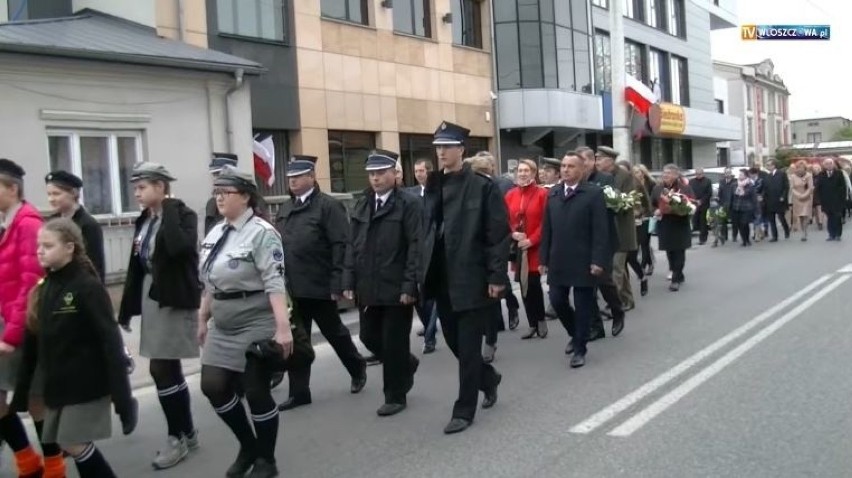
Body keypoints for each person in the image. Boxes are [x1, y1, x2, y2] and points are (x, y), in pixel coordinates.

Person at [13, 218, 138, 478]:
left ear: (69, 248)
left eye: (48, 245)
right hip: (58, 385)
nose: (40, 251)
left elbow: (110, 341)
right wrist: (23, 390)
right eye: (39, 245)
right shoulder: (44, 288)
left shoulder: (87, 287)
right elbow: (33, 342)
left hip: (86, 383)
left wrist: (123, 399)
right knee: (67, 443)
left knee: (73, 442)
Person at [198, 167, 291, 478]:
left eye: (226, 191)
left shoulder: (263, 233)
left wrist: (282, 328)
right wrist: (202, 317)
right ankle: (248, 445)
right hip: (222, 323)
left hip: (256, 320)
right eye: (217, 192)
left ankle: (267, 459)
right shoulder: (215, 232)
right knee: (212, 386)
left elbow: (275, 282)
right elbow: (210, 281)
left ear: (246, 197)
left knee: (255, 391)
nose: (219, 197)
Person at [422, 120, 509, 434]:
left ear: (461, 150)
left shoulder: (482, 187)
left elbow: (497, 235)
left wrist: (496, 276)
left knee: (469, 348)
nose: (441, 153)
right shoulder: (432, 184)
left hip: (471, 277)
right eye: (437, 148)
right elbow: (426, 230)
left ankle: (464, 410)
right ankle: (489, 378)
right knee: (456, 343)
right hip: (441, 277)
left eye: (446, 147)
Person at [117, 162, 200, 469]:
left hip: (174, 296)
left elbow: (180, 249)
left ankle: (177, 436)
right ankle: (185, 432)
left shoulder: (181, 214)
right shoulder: (145, 219)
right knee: (166, 369)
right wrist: (126, 309)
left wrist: (169, 208)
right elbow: (136, 266)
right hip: (152, 296)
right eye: (135, 188)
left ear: (161, 186)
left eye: (142, 187)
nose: (137, 193)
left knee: (161, 369)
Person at [274, 155, 367, 411]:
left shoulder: (328, 206)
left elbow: (341, 245)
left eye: (298, 176)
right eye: (290, 177)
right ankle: (299, 392)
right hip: (292, 288)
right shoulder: (285, 208)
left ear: (312, 177)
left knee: (334, 333)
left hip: (320, 285)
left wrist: (339, 282)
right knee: (297, 341)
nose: (292, 181)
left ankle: (356, 366)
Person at [343, 150, 422, 417]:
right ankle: (406, 363)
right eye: (372, 174)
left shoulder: (409, 204)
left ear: (394, 173)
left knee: (394, 341)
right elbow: (352, 246)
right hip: (369, 285)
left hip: (397, 286)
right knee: (368, 336)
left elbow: (416, 247)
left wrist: (410, 286)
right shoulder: (363, 203)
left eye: (380, 173)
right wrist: (348, 279)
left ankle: (395, 395)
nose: (375, 179)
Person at [540, 152, 609, 368]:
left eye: (571, 166)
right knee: (557, 300)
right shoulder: (553, 194)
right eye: (563, 166)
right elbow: (547, 229)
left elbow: (601, 230)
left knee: (583, 306)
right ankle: (576, 333)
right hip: (558, 259)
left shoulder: (593, 193)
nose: (565, 169)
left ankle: (580, 348)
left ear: (581, 170)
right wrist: (543, 258)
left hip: (584, 260)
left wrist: (598, 260)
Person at [0, 159, 46, 477]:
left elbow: (30, 284)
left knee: (35, 399)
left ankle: (50, 462)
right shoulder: (7, 222)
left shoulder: (28, 224)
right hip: (7, 322)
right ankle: (28, 460)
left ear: (12, 189)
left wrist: (10, 335)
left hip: (19, 327)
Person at [576, 146, 624, 339]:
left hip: (603, 239)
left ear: (591, 162)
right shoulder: (575, 182)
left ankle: (617, 311)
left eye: (584, 161)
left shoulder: (605, 179)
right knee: (586, 286)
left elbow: (613, 208)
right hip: (581, 241)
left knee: (604, 281)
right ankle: (596, 326)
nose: (580, 165)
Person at [504, 159, 549, 339]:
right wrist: (513, 234)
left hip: (534, 247)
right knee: (522, 285)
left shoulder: (542, 194)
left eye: (526, 170)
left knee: (533, 284)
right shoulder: (510, 194)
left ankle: (540, 320)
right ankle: (531, 323)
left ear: (533, 173)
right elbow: (504, 219)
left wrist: (532, 240)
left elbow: (546, 222)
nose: (522, 173)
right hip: (519, 248)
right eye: (520, 170)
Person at [595, 146, 640, 311]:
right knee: (617, 268)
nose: (597, 162)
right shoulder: (601, 177)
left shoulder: (625, 176)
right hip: (607, 230)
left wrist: (616, 202)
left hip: (622, 230)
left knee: (616, 268)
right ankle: (628, 299)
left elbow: (631, 200)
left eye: (600, 159)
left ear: (610, 160)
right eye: (597, 158)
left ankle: (615, 302)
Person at [406, 159, 439, 354]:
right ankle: (428, 327)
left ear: (429, 171)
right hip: (417, 250)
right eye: (416, 170)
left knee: (433, 299)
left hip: (434, 250)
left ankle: (430, 337)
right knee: (421, 298)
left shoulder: (438, 192)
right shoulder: (411, 194)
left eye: (422, 170)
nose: (419, 174)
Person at [650, 164, 694, 292]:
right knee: (670, 251)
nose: (665, 175)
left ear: (676, 175)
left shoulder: (684, 188)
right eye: (664, 173)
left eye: (668, 173)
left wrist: (679, 209)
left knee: (679, 251)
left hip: (680, 224)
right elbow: (651, 204)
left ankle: (675, 279)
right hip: (665, 224)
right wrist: (656, 210)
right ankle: (677, 273)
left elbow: (690, 203)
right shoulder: (658, 189)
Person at [816, 158, 848, 241]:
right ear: (824, 165)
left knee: (837, 217)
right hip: (826, 200)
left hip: (837, 200)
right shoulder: (821, 174)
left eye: (830, 163)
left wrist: (843, 198)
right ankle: (831, 234)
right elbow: (818, 188)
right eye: (827, 164)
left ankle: (838, 234)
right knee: (829, 218)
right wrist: (819, 199)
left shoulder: (839, 173)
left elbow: (843, 187)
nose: (829, 165)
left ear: (833, 164)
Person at [763, 159, 790, 241]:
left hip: (779, 200)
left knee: (781, 217)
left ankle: (786, 230)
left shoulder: (781, 174)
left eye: (769, 165)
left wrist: (783, 196)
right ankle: (775, 236)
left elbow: (786, 186)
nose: (767, 167)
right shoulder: (767, 176)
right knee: (771, 220)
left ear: (773, 165)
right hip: (770, 200)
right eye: (767, 165)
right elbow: (765, 188)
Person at [731, 169, 758, 247]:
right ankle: (744, 240)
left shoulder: (750, 184)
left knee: (744, 223)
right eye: (739, 175)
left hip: (747, 207)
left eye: (741, 175)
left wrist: (756, 208)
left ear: (746, 176)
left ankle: (747, 239)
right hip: (736, 207)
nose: (739, 176)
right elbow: (733, 194)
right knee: (739, 225)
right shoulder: (735, 184)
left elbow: (750, 194)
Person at [789, 160, 814, 241]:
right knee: (800, 216)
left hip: (806, 197)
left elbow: (810, 187)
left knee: (805, 214)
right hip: (797, 198)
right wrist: (798, 195)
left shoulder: (808, 176)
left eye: (802, 168)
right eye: (798, 168)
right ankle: (803, 230)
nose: (800, 169)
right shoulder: (793, 176)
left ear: (805, 168)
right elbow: (792, 188)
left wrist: (804, 195)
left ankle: (804, 232)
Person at [688, 168, 713, 245]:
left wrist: (701, 201)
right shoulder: (691, 181)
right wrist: (694, 200)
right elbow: (689, 191)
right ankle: (691, 237)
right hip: (694, 203)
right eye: (697, 174)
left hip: (704, 204)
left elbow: (709, 193)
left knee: (703, 221)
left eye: (700, 174)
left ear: (703, 173)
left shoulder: (707, 181)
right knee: (694, 221)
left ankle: (703, 238)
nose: (698, 175)